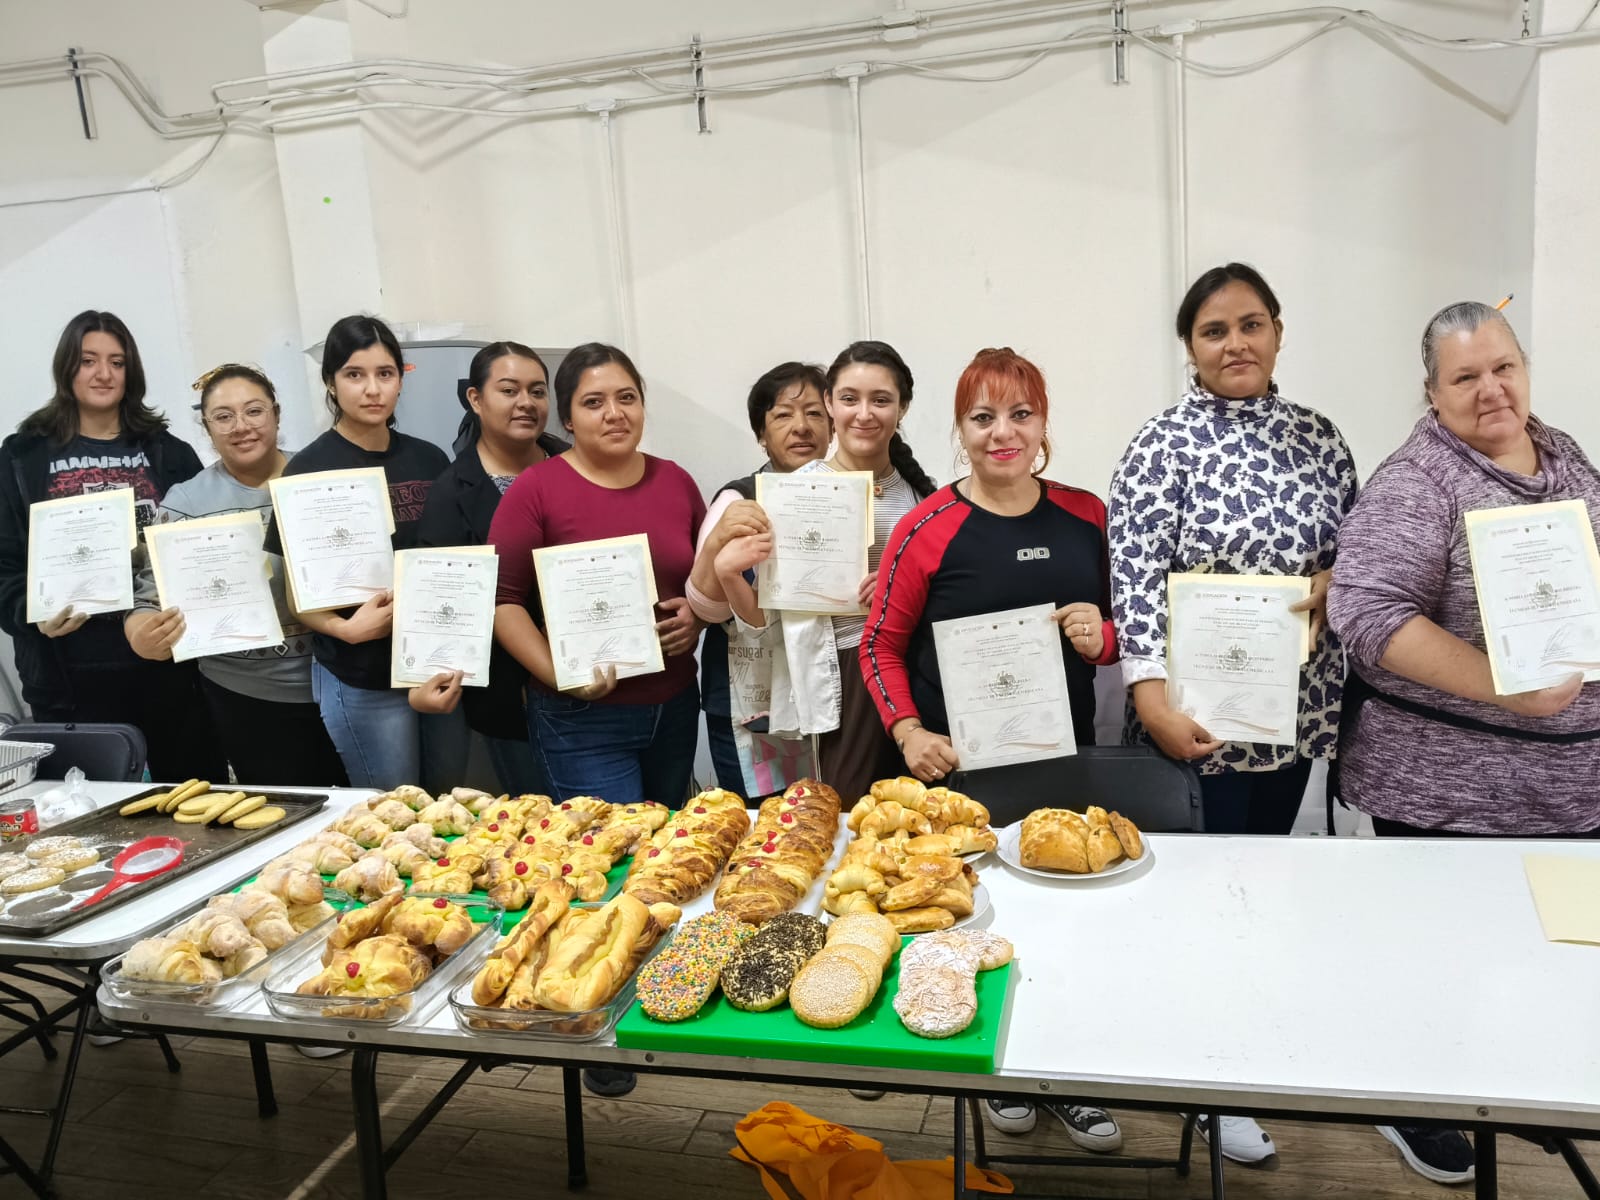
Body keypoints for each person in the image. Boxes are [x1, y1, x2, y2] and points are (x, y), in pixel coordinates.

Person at [1326, 301, 1600, 1186]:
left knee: (1543, 967)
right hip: (1445, 792)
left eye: (1503, 367)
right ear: (1432, 392)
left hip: (1570, 787)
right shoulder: (1417, 482)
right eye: (1466, 377)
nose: (1492, 390)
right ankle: (1415, 1106)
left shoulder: (1565, 457)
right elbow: (1365, 614)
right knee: (1436, 971)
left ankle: (1511, 1092)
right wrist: (1506, 685)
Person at [1105, 264, 1357, 1167]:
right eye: (1215, 330)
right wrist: (1149, 696)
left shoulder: (1321, 438)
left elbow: (1358, 550)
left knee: (1259, 889)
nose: (1236, 343)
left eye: (1252, 324)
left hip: (1288, 716)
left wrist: (1337, 576)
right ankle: (1200, 1077)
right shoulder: (1159, 443)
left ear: (1279, 332)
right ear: (1190, 347)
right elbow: (1133, 576)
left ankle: (1238, 1059)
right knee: (1196, 902)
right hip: (1192, 721)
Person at [860, 346, 1122, 1148]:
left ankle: (1066, 1075)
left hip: (1063, 765)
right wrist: (909, 731)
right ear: (960, 429)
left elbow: (1127, 627)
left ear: (1043, 424)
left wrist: (1103, 637)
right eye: (983, 417)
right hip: (959, 776)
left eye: (1020, 414)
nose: (1002, 433)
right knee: (970, 928)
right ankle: (988, 1073)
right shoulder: (927, 526)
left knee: (1070, 928)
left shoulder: (1087, 514)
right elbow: (879, 644)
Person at [489, 342, 702, 1102]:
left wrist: (694, 620)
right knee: (605, 879)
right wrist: (557, 673)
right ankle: (590, 1025)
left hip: (673, 708)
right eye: (593, 402)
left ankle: (657, 1007)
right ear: (568, 415)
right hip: (581, 718)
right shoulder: (537, 490)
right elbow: (502, 600)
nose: (614, 414)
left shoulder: (676, 481)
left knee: (666, 867)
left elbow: (700, 585)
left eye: (626, 397)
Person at [0, 310, 224, 782]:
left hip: (167, 671)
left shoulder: (169, 453)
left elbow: (201, 552)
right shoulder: (22, 456)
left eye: (117, 362)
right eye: (88, 360)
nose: (103, 373)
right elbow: (4, 566)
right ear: (67, 367)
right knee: (88, 810)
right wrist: (32, 612)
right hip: (68, 681)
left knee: (192, 802)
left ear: (131, 371)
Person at [715, 341, 939, 808]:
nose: (864, 414)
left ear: (902, 408)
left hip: (916, 669)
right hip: (843, 676)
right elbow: (764, 624)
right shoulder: (793, 495)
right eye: (850, 398)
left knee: (922, 809)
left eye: (881, 400)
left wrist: (902, 592)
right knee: (850, 812)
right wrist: (729, 575)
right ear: (831, 405)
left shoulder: (921, 500)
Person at [125, 364, 347, 786]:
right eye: (223, 416)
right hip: (246, 696)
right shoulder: (186, 503)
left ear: (276, 414)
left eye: (254, 411)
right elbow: (148, 596)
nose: (241, 426)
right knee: (283, 814)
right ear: (207, 428)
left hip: (342, 683)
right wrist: (142, 634)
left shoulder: (322, 479)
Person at [263, 315, 457, 792]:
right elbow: (295, 595)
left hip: (437, 664)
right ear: (331, 382)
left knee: (448, 803)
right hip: (362, 676)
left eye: (385, 373)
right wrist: (344, 629)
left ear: (400, 380)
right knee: (391, 809)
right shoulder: (307, 470)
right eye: (355, 374)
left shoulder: (431, 458)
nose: (373, 389)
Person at [411, 341, 567, 795]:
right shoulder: (451, 492)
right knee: (544, 817)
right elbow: (441, 603)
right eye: (509, 390)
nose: (526, 403)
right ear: (476, 399)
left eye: (537, 391)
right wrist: (422, 680)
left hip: (598, 675)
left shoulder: (574, 466)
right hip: (510, 695)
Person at [686, 362, 831, 797]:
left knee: (827, 812)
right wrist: (720, 552)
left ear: (833, 426)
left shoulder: (850, 497)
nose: (801, 427)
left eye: (814, 413)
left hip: (825, 691)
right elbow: (706, 610)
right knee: (762, 821)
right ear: (761, 434)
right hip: (750, 699)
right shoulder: (738, 499)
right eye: (783, 415)